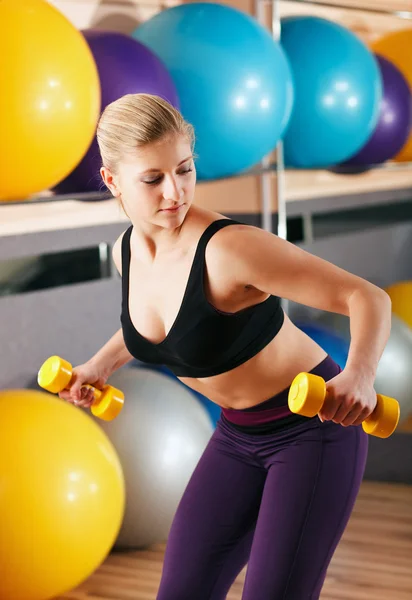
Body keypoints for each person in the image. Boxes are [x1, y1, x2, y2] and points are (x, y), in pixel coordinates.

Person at [58, 93, 392, 600]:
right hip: (237, 437)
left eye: (185, 170)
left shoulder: (230, 249)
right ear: (112, 181)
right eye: (152, 179)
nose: (175, 192)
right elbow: (158, 325)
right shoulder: (128, 252)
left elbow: (365, 297)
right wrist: (100, 365)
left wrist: (360, 374)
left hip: (314, 432)